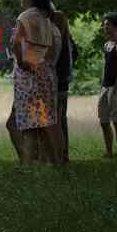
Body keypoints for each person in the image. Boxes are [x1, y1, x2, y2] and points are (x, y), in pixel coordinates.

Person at [8, 0, 64, 165]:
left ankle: (27, 166)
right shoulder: (46, 17)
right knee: (45, 122)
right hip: (45, 73)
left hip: (28, 74)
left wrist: (23, 61)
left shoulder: (25, 16)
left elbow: (16, 42)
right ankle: (55, 162)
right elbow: (50, 51)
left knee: (28, 125)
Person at [99, 12, 117, 158]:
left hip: (116, 87)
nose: (104, 26)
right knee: (103, 121)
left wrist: (115, 87)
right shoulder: (106, 45)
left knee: (116, 120)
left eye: (107, 23)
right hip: (105, 87)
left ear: (115, 26)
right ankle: (109, 151)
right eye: (104, 23)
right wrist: (103, 84)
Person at [52, 10, 74, 162]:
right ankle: (64, 153)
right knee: (62, 119)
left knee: (55, 120)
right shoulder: (69, 41)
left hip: (55, 83)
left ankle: (58, 154)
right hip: (64, 84)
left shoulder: (56, 40)